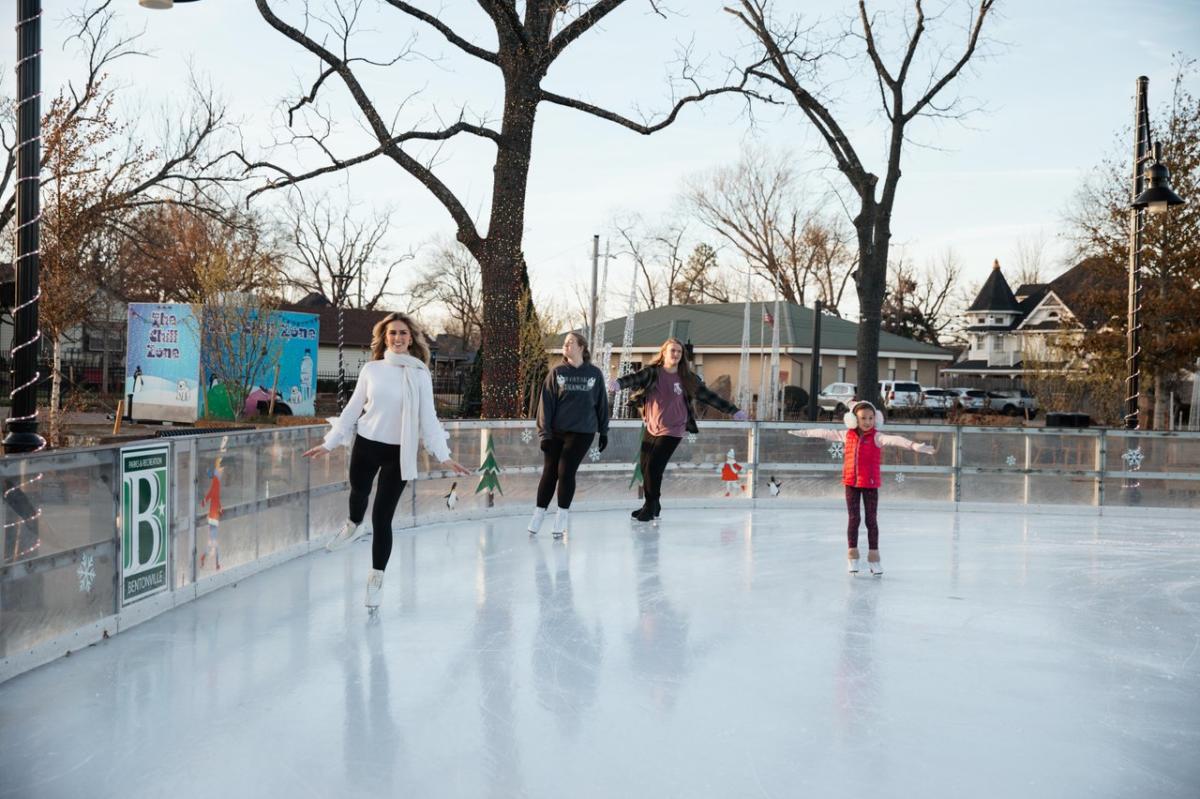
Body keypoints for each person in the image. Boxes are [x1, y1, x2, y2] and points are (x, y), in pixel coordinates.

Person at [304, 311, 469, 609]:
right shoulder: (372, 369)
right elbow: (353, 410)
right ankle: (354, 524)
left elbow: (428, 418)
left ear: (411, 338)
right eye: (392, 333)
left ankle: (376, 577)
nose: (397, 338)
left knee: (382, 519)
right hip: (367, 444)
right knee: (359, 492)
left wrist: (444, 456)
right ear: (384, 338)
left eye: (403, 333)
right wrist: (329, 444)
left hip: (398, 453)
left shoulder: (420, 373)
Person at [609, 337, 747, 523]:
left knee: (654, 467)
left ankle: (650, 507)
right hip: (652, 427)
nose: (675, 354)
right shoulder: (653, 373)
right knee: (645, 467)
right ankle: (653, 503)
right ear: (664, 352)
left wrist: (733, 410)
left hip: (674, 429)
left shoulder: (687, 379)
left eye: (679, 352)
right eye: (672, 350)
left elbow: (709, 397)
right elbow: (635, 378)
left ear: (682, 356)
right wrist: (618, 384)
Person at [789, 400, 935, 575]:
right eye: (863, 418)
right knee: (854, 519)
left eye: (871, 418)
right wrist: (802, 431)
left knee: (871, 520)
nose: (867, 422)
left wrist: (914, 446)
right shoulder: (846, 435)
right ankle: (852, 556)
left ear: (876, 419)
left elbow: (895, 439)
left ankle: (874, 557)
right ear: (853, 420)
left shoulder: (877, 437)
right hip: (851, 483)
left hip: (870, 484)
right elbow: (824, 433)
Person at [529, 332, 609, 538]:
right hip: (557, 431)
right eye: (564, 344)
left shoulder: (594, 374)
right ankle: (539, 513)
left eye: (570, 343)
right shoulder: (557, 373)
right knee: (550, 472)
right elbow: (545, 405)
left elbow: (601, 404)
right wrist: (544, 434)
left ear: (582, 347)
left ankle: (561, 515)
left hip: (583, 431)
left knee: (565, 470)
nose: (566, 346)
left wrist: (604, 431)